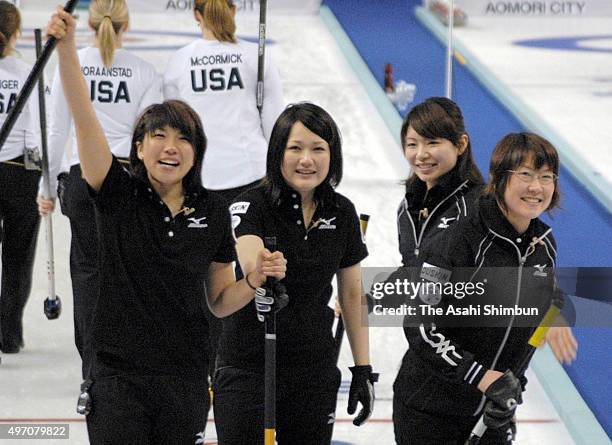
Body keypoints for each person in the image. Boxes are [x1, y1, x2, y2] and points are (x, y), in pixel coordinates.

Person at [46, 7, 286, 444]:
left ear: (197, 152)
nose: (170, 148)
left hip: (187, 380)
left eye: (184, 138)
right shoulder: (118, 195)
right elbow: (84, 120)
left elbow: (217, 300)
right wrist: (66, 52)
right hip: (118, 380)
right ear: (137, 148)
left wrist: (252, 280)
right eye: (158, 136)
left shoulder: (213, 211)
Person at [213, 102, 377, 445]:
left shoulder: (342, 212)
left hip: (313, 368)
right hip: (250, 367)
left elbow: (350, 293)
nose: (307, 159)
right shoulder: (251, 204)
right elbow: (248, 252)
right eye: (296, 148)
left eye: (318, 149)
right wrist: (262, 268)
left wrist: (363, 368)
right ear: (277, 153)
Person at [393, 132, 571, 444]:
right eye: (526, 175)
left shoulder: (544, 248)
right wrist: (479, 376)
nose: (536, 187)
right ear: (499, 179)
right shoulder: (457, 238)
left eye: (546, 177)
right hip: (429, 411)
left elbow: (525, 337)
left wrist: (510, 393)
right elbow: (420, 325)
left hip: (490, 416)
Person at [37, 0, 162, 378]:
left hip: (81, 178)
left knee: (89, 274)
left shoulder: (69, 67)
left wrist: (46, 183)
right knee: (132, 270)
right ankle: (132, 361)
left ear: (89, 23)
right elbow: (150, 141)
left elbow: (56, 129)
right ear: (126, 24)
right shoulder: (146, 73)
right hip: (129, 182)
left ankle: (93, 372)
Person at [162, 0, 284, 378]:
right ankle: (244, 357)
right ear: (233, 11)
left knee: (208, 275)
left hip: (202, 183)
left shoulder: (180, 62)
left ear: (196, 15)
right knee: (251, 270)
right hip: (249, 181)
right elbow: (276, 124)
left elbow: (172, 127)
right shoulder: (254, 58)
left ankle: (209, 360)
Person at [0, 0, 42, 355]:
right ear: (15, 35)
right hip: (19, 172)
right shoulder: (29, 71)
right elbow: (35, 132)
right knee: (18, 255)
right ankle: (9, 333)